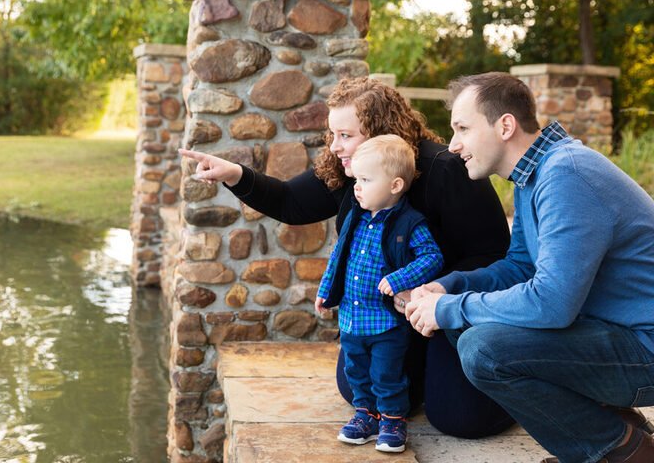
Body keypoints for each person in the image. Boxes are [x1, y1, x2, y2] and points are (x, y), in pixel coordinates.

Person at [179, 76, 514, 438]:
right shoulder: (349, 171)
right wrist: (235, 174)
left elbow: (493, 253)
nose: (336, 146)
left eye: (346, 135)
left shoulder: (445, 170)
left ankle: (527, 383)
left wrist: (431, 290)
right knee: (356, 390)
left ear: (381, 131)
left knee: (458, 419)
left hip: (450, 309)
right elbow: (291, 201)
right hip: (390, 319)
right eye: (332, 134)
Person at [406, 71, 654, 462]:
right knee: (464, 320)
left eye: (463, 128)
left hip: (646, 347)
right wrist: (450, 288)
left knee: (482, 348)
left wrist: (451, 308)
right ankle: (618, 429)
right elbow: (521, 266)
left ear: (505, 125)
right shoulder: (534, 176)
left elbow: (551, 303)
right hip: (616, 334)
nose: (453, 145)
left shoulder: (566, 174)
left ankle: (622, 451)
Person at [314, 135, 444, 452]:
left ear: (395, 185)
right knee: (355, 370)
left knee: (387, 373)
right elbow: (338, 257)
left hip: (385, 321)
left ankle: (393, 420)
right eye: (356, 179)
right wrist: (325, 291)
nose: (356, 187)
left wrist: (401, 278)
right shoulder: (356, 218)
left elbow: (432, 257)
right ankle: (365, 416)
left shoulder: (410, 223)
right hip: (352, 317)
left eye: (366, 180)